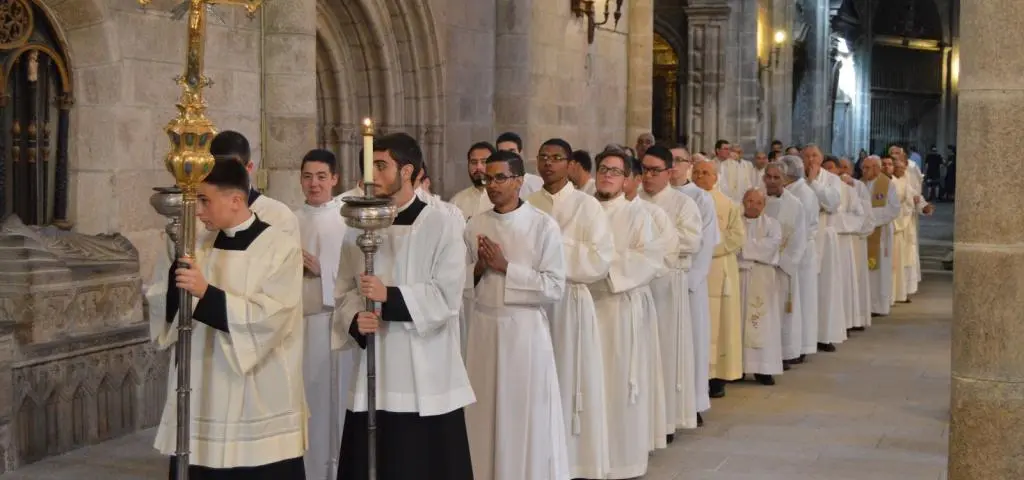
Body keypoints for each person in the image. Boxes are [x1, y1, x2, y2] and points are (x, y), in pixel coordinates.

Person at [151, 157, 307, 479]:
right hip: (200, 388)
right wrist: (174, 277)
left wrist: (206, 293)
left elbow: (273, 316)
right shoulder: (196, 245)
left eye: (205, 201)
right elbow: (165, 306)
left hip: (255, 390)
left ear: (236, 200)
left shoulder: (280, 247)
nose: (198, 211)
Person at [332, 132, 474, 480]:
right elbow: (346, 290)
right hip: (376, 363)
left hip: (425, 371)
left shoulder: (442, 224)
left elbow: (446, 296)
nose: (372, 176)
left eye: (381, 166)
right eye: (368, 166)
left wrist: (388, 296)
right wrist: (355, 319)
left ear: (407, 170)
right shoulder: (357, 226)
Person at [463, 150, 569, 480]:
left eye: (499, 178)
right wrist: (478, 268)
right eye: (486, 179)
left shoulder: (542, 226)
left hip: (523, 332)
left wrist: (506, 267)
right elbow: (460, 282)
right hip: (483, 329)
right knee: (483, 414)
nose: (491, 185)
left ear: (519, 181)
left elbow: (554, 287)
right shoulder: (476, 225)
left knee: (521, 414)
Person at [526, 138, 613, 479]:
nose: (548, 163)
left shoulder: (587, 206)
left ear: (569, 163)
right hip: (533, 304)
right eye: (543, 157)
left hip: (572, 303)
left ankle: (577, 462)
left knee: (572, 378)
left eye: (556, 158)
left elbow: (599, 259)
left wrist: (553, 248)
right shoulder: (528, 203)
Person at [591, 150, 663, 478]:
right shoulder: (582, 209)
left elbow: (647, 258)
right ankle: (588, 458)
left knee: (618, 385)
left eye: (615, 172)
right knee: (589, 384)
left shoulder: (638, 215)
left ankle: (622, 461)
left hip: (618, 308)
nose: (607, 175)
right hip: (584, 309)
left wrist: (599, 266)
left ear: (626, 180)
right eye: (603, 169)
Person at [294, 149, 353, 480]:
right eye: (307, 176)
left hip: (330, 324)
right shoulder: (288, 220)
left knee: (330, 403)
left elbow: (356, 275)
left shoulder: (346, 220)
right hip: (296, 325)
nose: (313, 184)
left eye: (320, 177)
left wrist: (322, 269)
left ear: (334, 179)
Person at [638, 145, 703, 437]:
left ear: (669, 172)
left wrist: (651, 240)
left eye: (655, 170)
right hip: (638, 283)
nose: (648, 176)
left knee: (666, 349)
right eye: (644, 170)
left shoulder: (683, 203)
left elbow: (691, 241)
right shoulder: (632, 201)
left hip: (667, 285)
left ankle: (667, 420)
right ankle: (642, 416)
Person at [622, 153, 676, 451]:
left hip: (642, 299)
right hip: (601, 303)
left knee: (640, 373)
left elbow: (664, 258)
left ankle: (645, 432)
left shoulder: (654, 215)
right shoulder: (594, 209)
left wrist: (620, 271)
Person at [669, 145, 719, 426]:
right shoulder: (650, 195)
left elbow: (705, 244)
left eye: (680, 161)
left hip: (688, 284)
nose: (674, 166)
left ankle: (694, 402)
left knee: (692, 343)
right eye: (671, 161)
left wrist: (687, 282)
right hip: (658, 283)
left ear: (689, 165)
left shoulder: (701, 198)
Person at [692, 159, 745, 398]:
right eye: (697, 172)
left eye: (706, 173)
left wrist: (707, 249)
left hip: (719, 269)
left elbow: (736, 238)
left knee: (720, 326)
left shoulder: (728, 204)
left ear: (715, 177)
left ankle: (717, 377)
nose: (700, 176)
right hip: (694, 271)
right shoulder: (687, 200)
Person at [762, 163, 807, 368]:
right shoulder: (754, 199)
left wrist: (783, 261)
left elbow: (799, 237)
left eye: (776, 177)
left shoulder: (795, 204)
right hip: (759, 268)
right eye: (768, 177)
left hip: (781, 267)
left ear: (785, 180)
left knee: (781, 311)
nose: (771, 181)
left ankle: (782, 352)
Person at [737, 189, 784, 385]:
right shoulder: (735, 222)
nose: (752, 205)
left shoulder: (772, 225)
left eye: (757, 202)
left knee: (763, 323)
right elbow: (731, 245)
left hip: (762, 279)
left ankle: (763, 368)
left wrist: (745, 248)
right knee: (737, 322)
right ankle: (737, 368)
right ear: (743, 202)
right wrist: (753, 247)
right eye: (749, 201)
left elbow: (771, 246)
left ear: (763, 205)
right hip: (739, 278)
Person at [801, 145, 844, 353]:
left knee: (825, 288)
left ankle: (824, 335)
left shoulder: (832, 179)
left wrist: (814, 183)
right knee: (804, 290)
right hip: (803, 239)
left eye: (815, 156)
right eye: (807, 156)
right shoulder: (796, 177)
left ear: (821, 157)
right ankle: (804, 339)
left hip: (824, 237)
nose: (811, 159)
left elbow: (832, 203)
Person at [777, 155, 819, 362]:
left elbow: (803, 225)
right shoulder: (790, 191)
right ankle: (793, 345)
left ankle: (800, 346)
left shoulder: (804, 194)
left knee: (799, 301)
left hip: (800, 252)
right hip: (791, 250)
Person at [822, 156, 867, 334]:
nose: (828, 172)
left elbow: (859, 216)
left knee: (842, 284)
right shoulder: (815, 189)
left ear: (840, 170)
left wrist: (836, 224)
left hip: (841, 242)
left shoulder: (848, 190)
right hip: (822, 243)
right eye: (825, 168)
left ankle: (844, 323)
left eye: (831, 168)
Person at [859, 156, 900, 316]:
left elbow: (894, 208)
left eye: (867, 168)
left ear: (876, 168)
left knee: (880, 271)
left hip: (881, 234)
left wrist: (870, 218)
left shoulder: (887, 184)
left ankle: (879, 306)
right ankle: (866, 305)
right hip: (864, 233)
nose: (863, 171)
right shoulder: (860, 184)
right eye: (863, 168)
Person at [450, 141, 498, 220]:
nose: (478, 167)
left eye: (484, 162)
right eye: (474, 162)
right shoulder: (457, 202)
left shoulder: (504, 200)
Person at [496, 132, 544, 198]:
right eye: (502, 153)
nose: (507, 156)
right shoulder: (493, 185)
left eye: (512, 152)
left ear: (521, 154)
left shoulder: (538, 183)